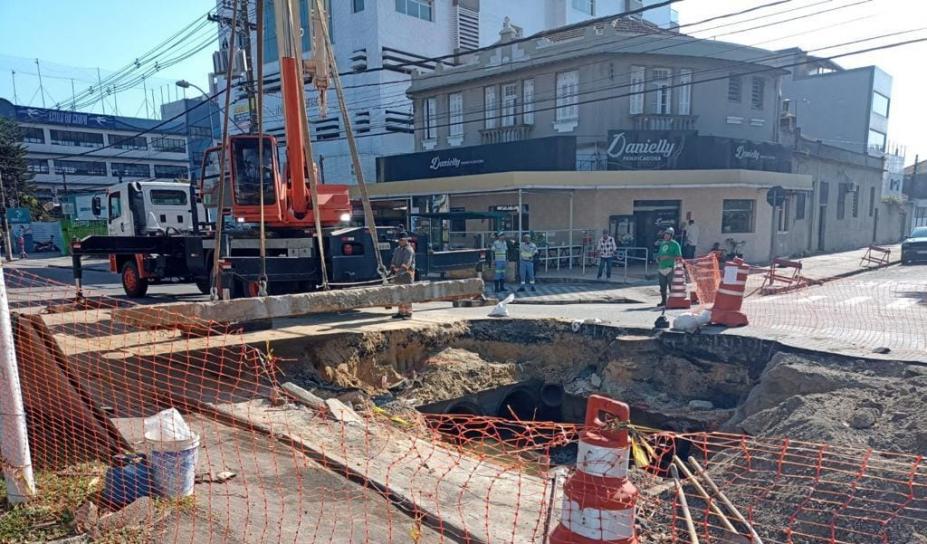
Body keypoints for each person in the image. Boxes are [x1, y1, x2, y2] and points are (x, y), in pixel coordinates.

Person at [390, 235, 416, 319]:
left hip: (406, 275)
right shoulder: (397, 249)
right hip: (398, 276)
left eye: (401, 240)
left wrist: (399, 270)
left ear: (406, 240)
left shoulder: (409, 250)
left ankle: (408, 313)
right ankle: (401, 312)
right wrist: (393, 268)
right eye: (399, 240)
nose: (400, 241)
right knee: (399, 294)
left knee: (407, 294)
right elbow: (393, 260)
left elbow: (407, 263)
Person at [656, 227, 682, 306]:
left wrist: (668, 257)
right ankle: (663, 301)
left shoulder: (675, 244)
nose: (665, 236)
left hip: (670, 268)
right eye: (665, 234)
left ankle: (672, 302)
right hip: (661, 268)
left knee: (672, 287)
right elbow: (659, 254)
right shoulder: (663, 244)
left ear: (671, 235)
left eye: (667, 234)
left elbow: (679, 257)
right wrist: (658, 259)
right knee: (662, 287)